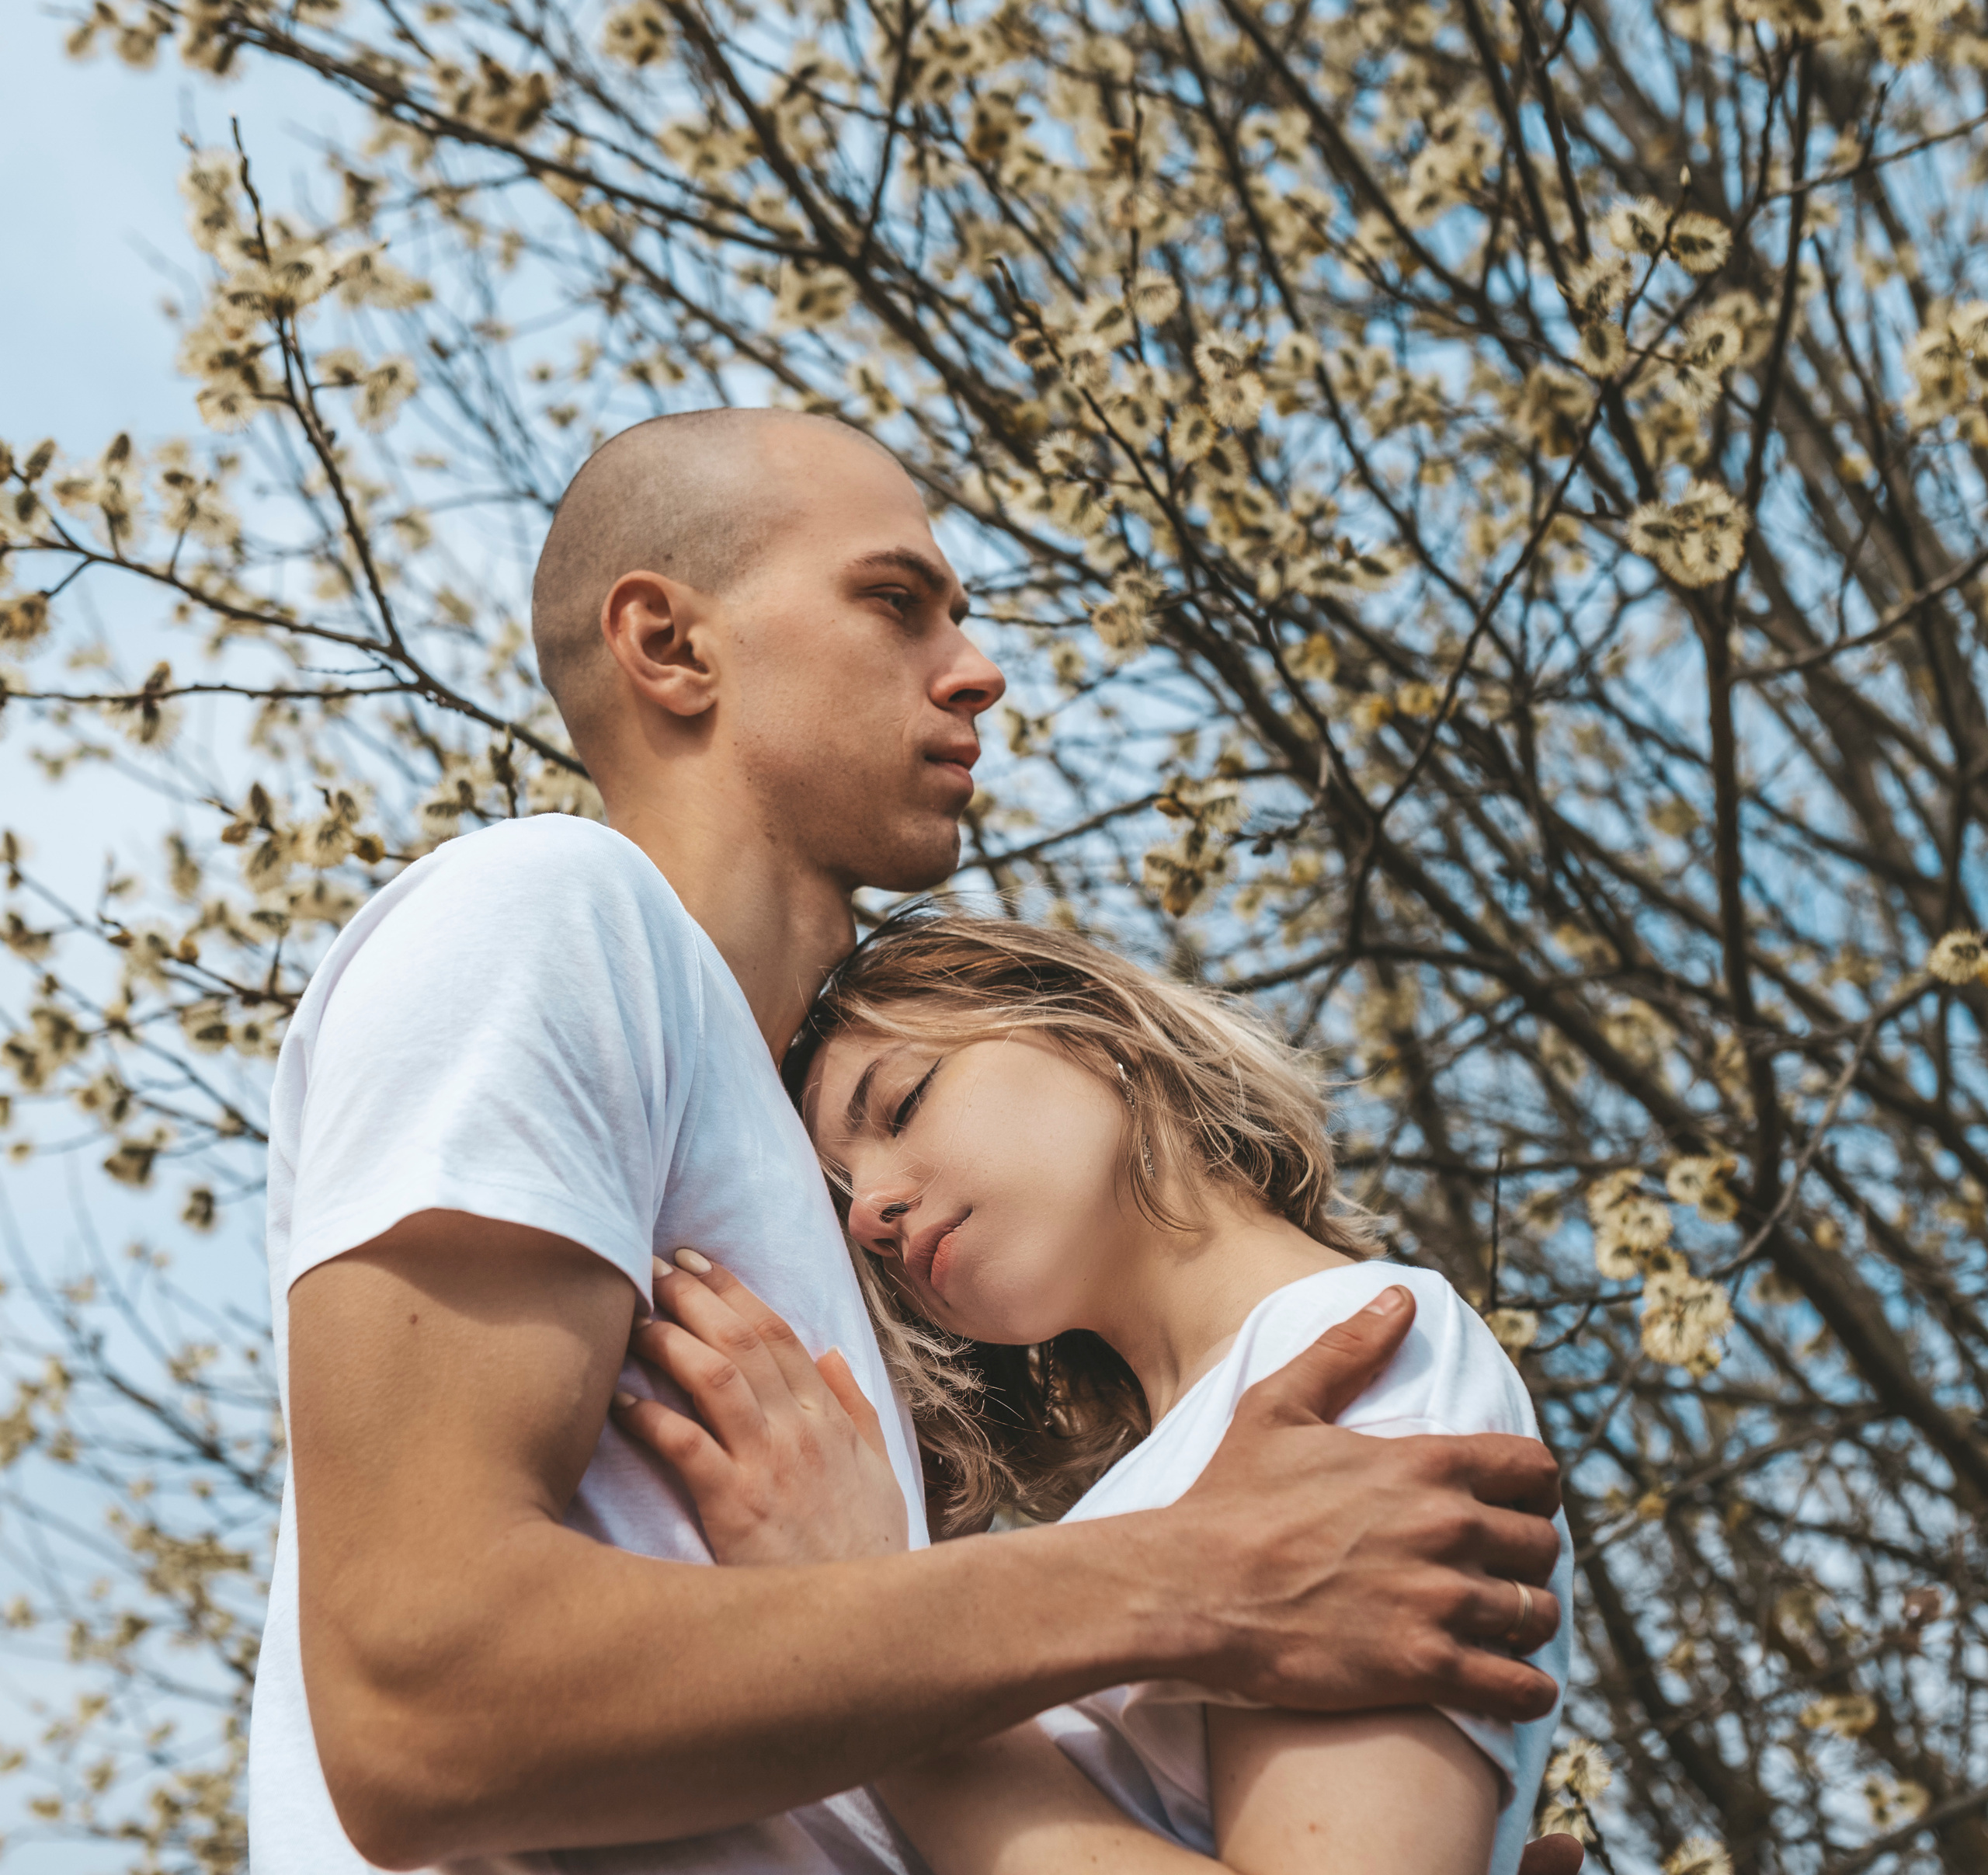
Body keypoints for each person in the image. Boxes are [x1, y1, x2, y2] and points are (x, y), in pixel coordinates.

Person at [249, 407, 1572, 1873]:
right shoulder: (555, 911)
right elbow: (418, 1707)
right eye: (895, 600)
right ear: (672, 646)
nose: (979, 667)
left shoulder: (826, 1287)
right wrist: (1185, 1575)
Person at [607, 910, 1576, 1875]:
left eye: (900, 1104)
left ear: (1090, 1029)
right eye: (844, 1190)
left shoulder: (1364, 1340)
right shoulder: (1158, 1480)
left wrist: (861, 1641)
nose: (870, 1210)